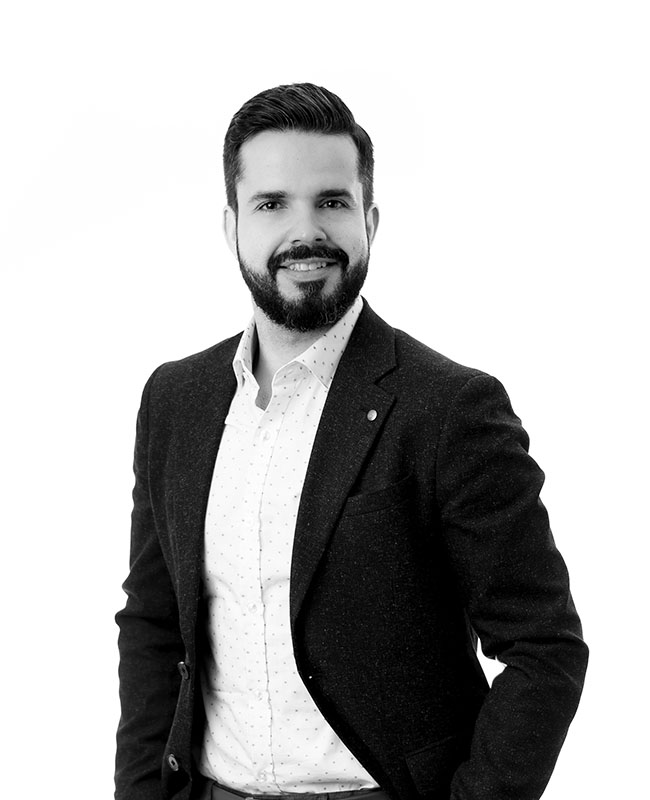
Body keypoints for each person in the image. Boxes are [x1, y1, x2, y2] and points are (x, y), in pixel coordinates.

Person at [115, 83, 588, 800]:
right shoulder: (175, 400)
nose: (305, 232)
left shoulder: (449, 407)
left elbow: (544, 647)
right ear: (231, 225)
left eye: (332, 201)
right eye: (272, 204)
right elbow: (152, 625)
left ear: (369, 220)